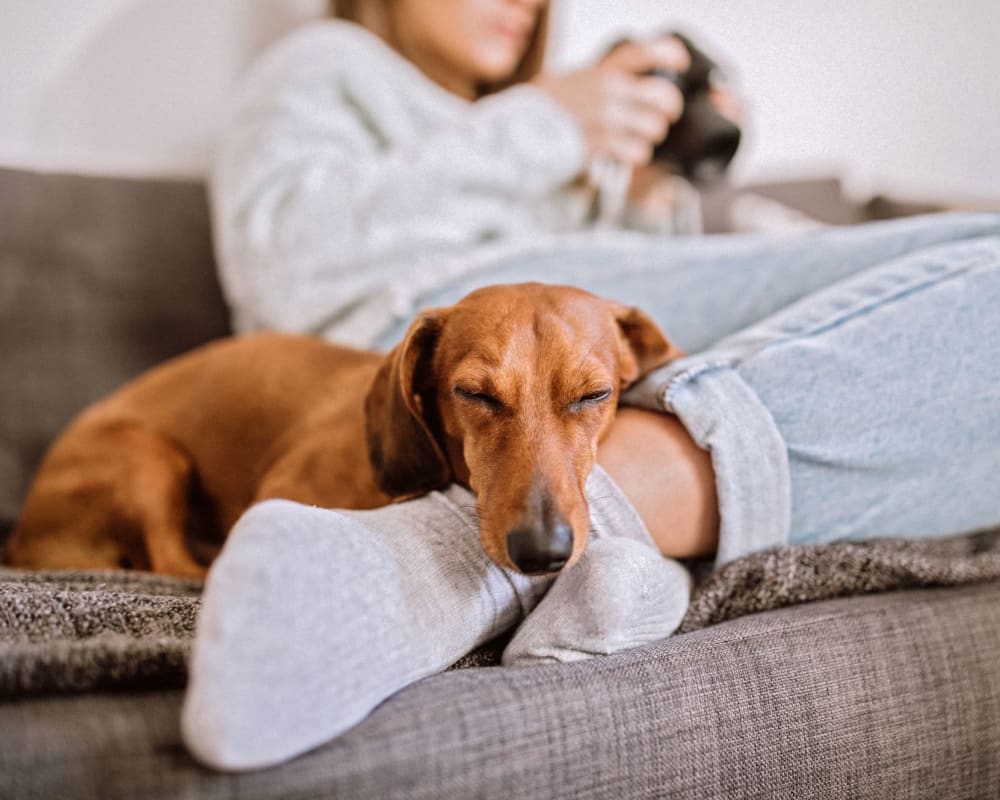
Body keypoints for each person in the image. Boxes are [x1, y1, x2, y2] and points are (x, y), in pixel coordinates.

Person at [186, 0, 1000, 770]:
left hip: (577, 329)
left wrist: (646, 191)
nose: (526, 4)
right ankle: (452, 561)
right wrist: (547, 123)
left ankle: (549, 543)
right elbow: (283, 269)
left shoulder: (521, 121)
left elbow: (607, 327)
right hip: (430, 313)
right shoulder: (328, 63)